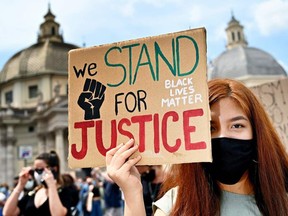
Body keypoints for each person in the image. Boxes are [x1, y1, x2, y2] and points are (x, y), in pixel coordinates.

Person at [105, 78, 288, 216]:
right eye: (210, 128)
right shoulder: (176, 205)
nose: (223, 136)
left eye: (237, 126)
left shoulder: (282, 202)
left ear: (256, 133)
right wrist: (132, 193)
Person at [3, 150, 74, 216]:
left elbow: (58, 214)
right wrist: (20, 185)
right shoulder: (33, 193)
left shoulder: (64, 191)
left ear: (54, 169)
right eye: (35, 170)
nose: (37, 174)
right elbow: (8, 213)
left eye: (40, 170)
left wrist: (51, 186)